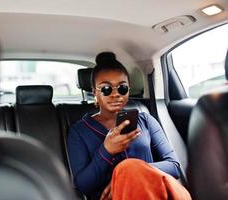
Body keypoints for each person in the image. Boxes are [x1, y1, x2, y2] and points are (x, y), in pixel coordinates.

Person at [67, 52, 190, 200]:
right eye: (106, 89)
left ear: (128, 90)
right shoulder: (79, 131)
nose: (115, 94)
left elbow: (174, 166)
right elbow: (82, 185)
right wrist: (106, 151)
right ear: (95, 93)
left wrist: (129, 177)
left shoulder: (145, 120)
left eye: (122, 88)